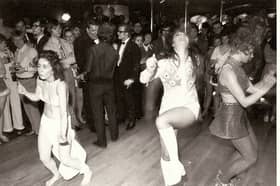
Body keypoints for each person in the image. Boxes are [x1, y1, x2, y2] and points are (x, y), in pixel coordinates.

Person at [18, 50, 92, 186]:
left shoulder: (61, 86)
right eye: (39, 66)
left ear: (53, 68)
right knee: (44, 157)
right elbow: (37, 97)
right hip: (45, 122)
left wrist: (63, 133)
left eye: (45, 66)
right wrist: (25, 92)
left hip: (60, 123)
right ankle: (56, 174)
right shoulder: (40, 80)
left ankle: (86, 171)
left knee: (65, 159)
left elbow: (64, 113)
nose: (40, 70)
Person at [209, 36, 276, 185]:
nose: (252, 57)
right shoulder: (228, 71)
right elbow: (245, 102)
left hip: (239, 115)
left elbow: (251, 89)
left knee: (250, 151)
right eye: (250, 53)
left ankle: (224, 173)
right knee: (250, 157)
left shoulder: (237, 67)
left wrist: (266, 80)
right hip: (231, 116)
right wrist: (265, 88)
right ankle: (222, 181)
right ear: (240, 51)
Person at [140, 29, 200, 186]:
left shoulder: (196, 60)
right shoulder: (165, 62)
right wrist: (150, 69)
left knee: (161, 121)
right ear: (172, 43)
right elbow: (143, 78)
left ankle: (177, 165)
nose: (180, 36)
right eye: (176, 35)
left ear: (189, 41)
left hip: (188, 107)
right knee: (165, 152)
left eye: (183, 35)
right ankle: (172, 181)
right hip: (168, 109)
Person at [0, 34, 10, 143]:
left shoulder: (2, 55)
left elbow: (6, 64)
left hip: (1, 84)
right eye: (3, 43)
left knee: (1, 111)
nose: (5, 45)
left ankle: (1, 134)